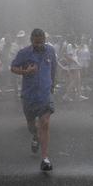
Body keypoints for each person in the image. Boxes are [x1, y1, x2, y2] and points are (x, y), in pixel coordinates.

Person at [11, 28, 57, 171]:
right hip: (29, 94)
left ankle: (45, 158)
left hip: (45, 93)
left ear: (44, 40)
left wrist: (53, 84)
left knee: (45, 122)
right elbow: (13, 68)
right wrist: (25, 71)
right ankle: (36, 136)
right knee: (31, 125)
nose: (39, 45)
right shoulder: (24, 53)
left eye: (41, 42)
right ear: (31, 41)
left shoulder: (50, 51)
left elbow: (53, 68)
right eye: (36, 42)